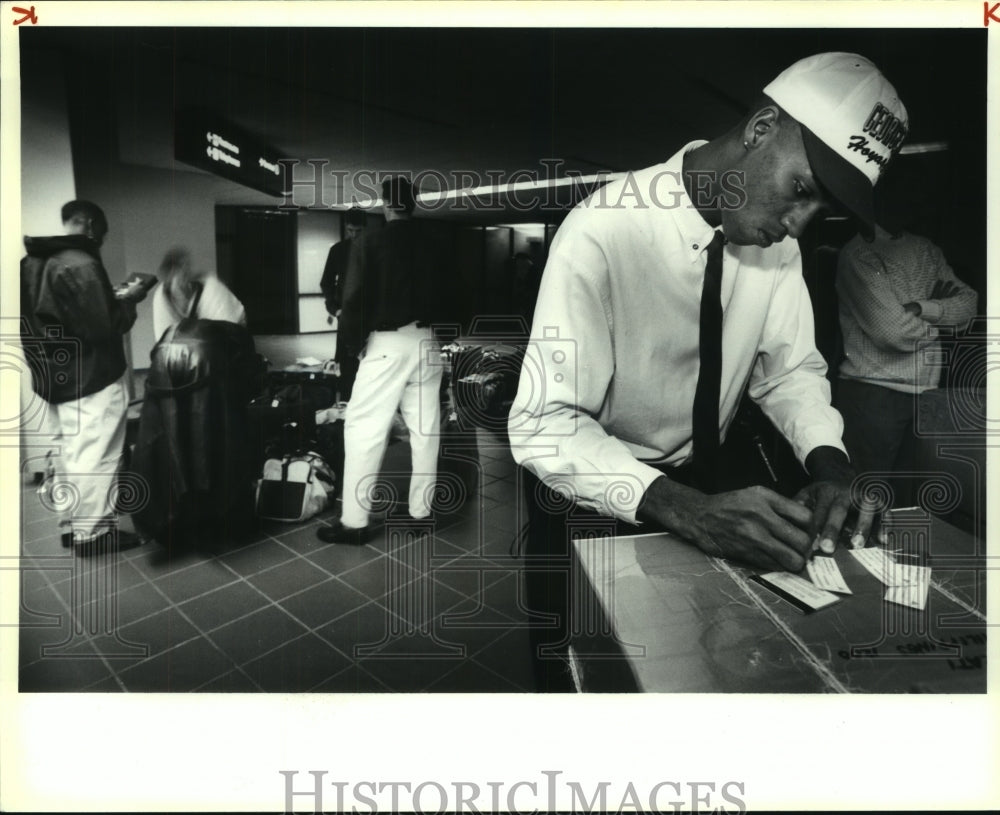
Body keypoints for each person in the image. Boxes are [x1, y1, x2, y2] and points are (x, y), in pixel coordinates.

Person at [507, 52, 908, 690]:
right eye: (801, 191)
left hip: (704, 489)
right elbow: (543, 424)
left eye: (821, 208)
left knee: (686, 673)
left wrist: (831, 467)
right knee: (589, 681)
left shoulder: (778, 253)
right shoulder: (602, 230)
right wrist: (683, 509)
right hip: (595, 498)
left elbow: (791, 371)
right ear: (759, 130)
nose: (798, 226)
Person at [317, 178, 455, 544]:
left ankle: (355, 522)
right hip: (428, 343)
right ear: (414, 203)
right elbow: (459, 294)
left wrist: (354, 345)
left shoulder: (369, 243)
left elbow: (355, 298)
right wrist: (444, 337)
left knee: (364, 428)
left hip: (387, 344)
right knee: (426, 432)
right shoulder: (438, 244)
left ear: (385, 204)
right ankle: (421, 516)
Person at [20, 200, 150, 551]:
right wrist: (130, 299)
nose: (101, 242)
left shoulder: (31, 262)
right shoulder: (82, 264)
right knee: (96, 454)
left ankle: (71, 526)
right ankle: (93, 534)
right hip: (90, 376)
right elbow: (106, 327)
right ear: (91, 225)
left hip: (53, 376)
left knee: (66, 452)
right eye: (103, 235)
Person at [835, 224, 977, 478]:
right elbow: (893, 334)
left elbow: (969, 305)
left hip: (926, 394)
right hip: (873, 395)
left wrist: (921, 308)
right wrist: (942, 319)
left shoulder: (926, 248)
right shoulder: (859, 253)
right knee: (862, 499)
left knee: (907, 504)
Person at [151, 246, 246, 341]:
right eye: (176, 273)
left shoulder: (211, 288)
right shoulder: (162, 297)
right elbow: (163, 339)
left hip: (233, 332)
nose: (183, 274)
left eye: (185, 269)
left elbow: (230, 330)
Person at [320, 207, 366, 400]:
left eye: (358, 231)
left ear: (366, 228)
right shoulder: (338, 251)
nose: (354, 235)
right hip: (345, 316)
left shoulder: (373, 250)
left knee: (369, 362)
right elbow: (326, 282)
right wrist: (335, 309)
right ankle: (346, 404)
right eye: (350, 230)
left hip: (369, 318)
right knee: (346, 364)